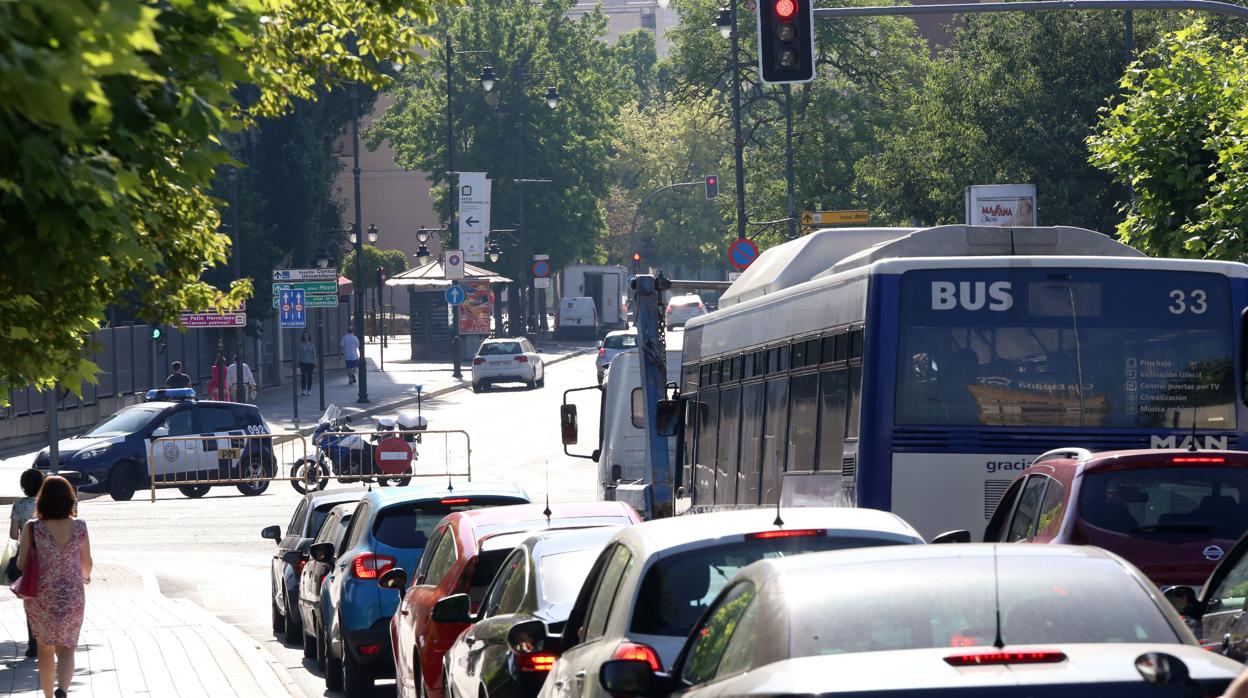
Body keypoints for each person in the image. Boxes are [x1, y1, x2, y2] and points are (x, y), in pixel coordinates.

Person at [16, 475, 92, 698]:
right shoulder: (80, 526)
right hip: (72, 594)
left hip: (40, 595)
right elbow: (86, 562)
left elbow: (21, 564)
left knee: (45, 648)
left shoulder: (32, 528)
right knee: (68, 648)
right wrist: (84, 578)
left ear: (42, 500)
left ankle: (49, 695)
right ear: (70, 499)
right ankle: (63, 690)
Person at [9, 468, 45, 658]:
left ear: (23, 486)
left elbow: (14, 535)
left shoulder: (18, 506)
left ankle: (33, 644)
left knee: (30, 598)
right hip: (47, 555)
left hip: (27, 556)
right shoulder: (46, 503)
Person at [297, 331, 317, 396]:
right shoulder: (301, 345)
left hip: (310, 362)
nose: (306, 337)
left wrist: (315, 361)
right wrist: (297, 361)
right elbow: (299, 354)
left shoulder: (312, 344)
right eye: (304, 336)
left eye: (307, 336)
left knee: (309, 376)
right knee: (303, 376)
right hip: (303, 362)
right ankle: (303, 390)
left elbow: (314, 354)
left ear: (309, 337)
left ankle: (309, 390)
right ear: (303, 337)